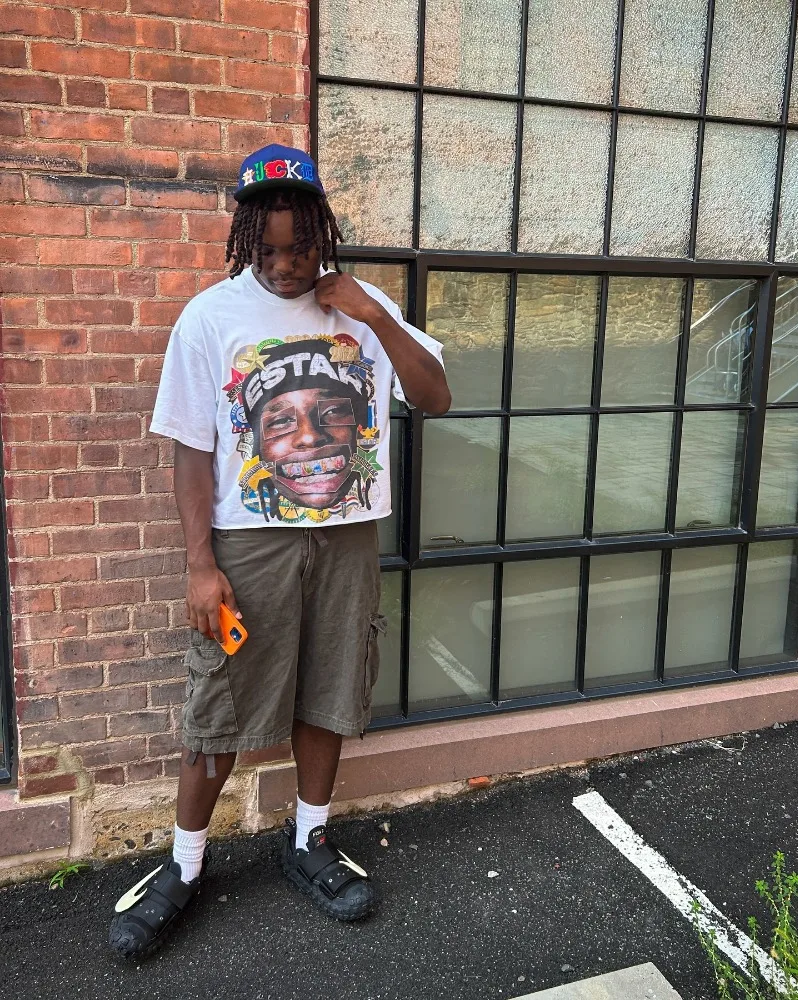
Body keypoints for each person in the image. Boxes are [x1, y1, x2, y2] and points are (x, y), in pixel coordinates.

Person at [108, 143, 451, 959]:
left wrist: (373, 316)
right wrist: (200, 564)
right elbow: (191, 449)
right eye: (268, 249)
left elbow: (435, 397)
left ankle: (309, 840)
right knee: (219, 704)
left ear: (323, 234)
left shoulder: (362, 306)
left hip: (346, 536)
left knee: (329, 690)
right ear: (246, 240)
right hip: (250, 542)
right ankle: (184, 866)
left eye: (299, 248)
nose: (286, 264)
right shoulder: (211, 317)